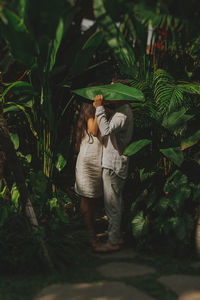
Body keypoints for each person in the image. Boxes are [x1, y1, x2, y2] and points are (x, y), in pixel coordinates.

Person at [93, 83, 134, 252]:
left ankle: (113, 242)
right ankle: (117, 236)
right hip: (115, 163)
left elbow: (106, 130)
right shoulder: (122, 112)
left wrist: (99, 108)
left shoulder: (122, 114)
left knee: (112, 205)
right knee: (116, 203)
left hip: (113, 165)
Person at [75, 102, 103, 247]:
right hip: (87, 162)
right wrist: (100, 106)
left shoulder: (98, 113)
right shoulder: (93, 115)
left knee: (92, 200)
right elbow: (93, 130)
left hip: (95, 162)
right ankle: (90, 236)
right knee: (87, 198)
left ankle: (90, 233)